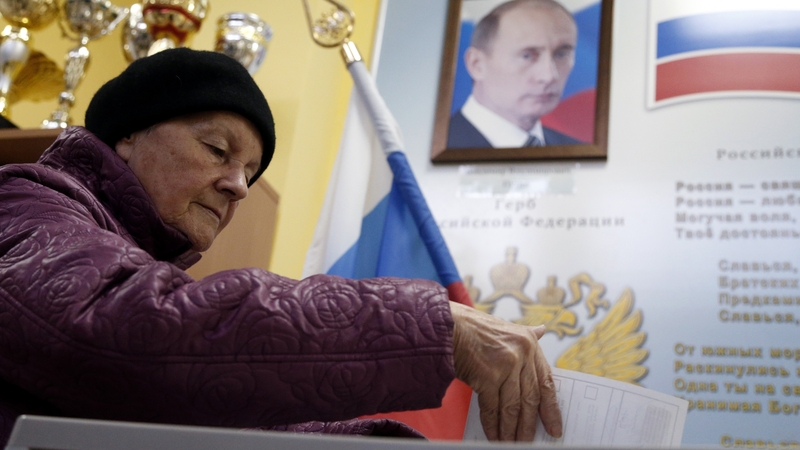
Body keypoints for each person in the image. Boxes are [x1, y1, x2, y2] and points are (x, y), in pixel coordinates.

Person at [0, 48, 562, 446]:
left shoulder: (138, 263)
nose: (239, 185)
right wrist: (436, 327)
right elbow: (126, 332)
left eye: (250, 171)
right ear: (127, 135)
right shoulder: (23, 202)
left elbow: (224, 419)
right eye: (218, 149)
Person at [448, 0, 583, 149]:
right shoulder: (426, 151)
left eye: (562, 54)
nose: (549, 76)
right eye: (527, 56)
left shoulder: (580, 152)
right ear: (477, 64)